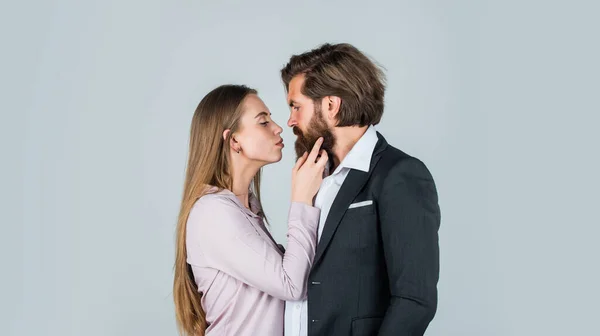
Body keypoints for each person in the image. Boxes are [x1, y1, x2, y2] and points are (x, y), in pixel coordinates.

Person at [281, 43, 441, 336]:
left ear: (331, 105)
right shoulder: (315, 177)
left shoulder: (400, 174)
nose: (290, 120)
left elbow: (415, 300)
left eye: (296, 106)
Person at [173, 84, 329, 336]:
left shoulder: (244, 209)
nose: (278, 127)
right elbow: (290, 285)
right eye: (263, 122)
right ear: (234, 140)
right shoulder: (213, 214)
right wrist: (302, 200)